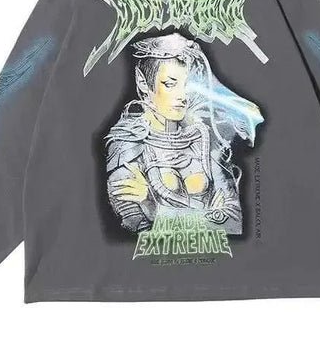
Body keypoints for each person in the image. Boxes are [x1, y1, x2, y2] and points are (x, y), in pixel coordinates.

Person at [105, 32, 264, 234]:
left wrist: (153, 207)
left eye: (187, 84)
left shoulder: (204, 137)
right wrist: (209, 215)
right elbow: (136, 232)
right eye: (170, 84)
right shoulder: (126, 143)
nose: (182, 96)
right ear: (143, 82)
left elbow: (233, 222)